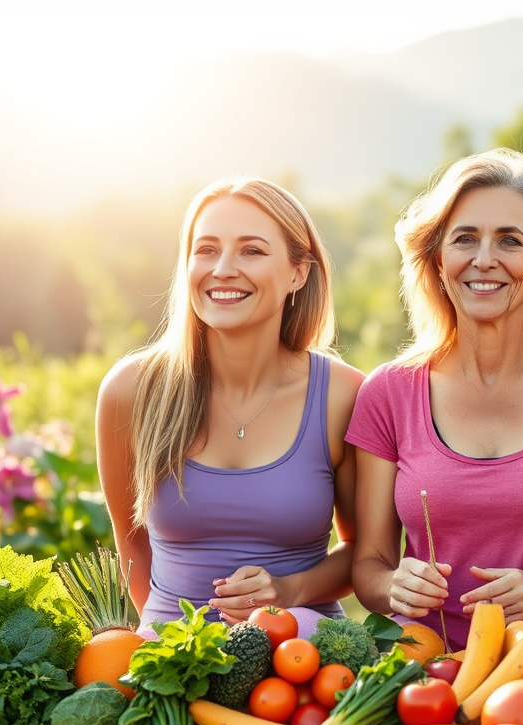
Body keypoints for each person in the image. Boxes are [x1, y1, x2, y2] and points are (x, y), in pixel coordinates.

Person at [347, 148, 523, 651]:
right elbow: (368, 566)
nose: (484, 259)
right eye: (464, 239)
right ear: (438, 262)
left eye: (509, 240)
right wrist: (394, 584)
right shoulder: (388, 392)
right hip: (429, 664)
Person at [96, 177, 363, 637]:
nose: (222, 269)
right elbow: (131, 544)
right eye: (206, 250)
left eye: (251, 251)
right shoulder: (131, 391)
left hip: (302, 656)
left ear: (298, 273)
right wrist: (173, 640)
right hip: (172, 659)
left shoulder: (344, 394)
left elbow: (367, 552)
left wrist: (289, 591)